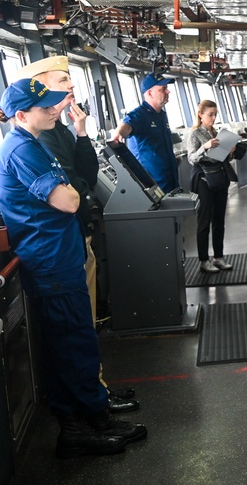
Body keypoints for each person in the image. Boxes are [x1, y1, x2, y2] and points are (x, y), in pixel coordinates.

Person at [0, 78, 147, 458]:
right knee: (71, 344)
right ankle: (79, 427)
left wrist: (72, 188)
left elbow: (70, 188)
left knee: (77, 340)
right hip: (49, 260)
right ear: (20, 115)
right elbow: (66, 200)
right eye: (44, 106)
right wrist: (73, 189)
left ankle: (93, 418)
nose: (53, 109)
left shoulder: (33, 142)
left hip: (59, 255)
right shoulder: (22, 149)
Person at [186, 100, 236, 274]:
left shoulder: (216, 132)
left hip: (218, 177)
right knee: (204, 220)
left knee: (219, 220)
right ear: (201, 114)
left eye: (215, 114)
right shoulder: (195, 134)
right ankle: (203, 260)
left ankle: (219, 257)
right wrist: (205, 147)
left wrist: (229, 153)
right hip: (203, 179)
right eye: (210, 114)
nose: (214, 118)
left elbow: (220, 158)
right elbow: (191, 158)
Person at [110, 73, 179, 192]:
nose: (168, 92)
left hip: (170, 180)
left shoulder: (161, 115)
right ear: (150, 93)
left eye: (166, 88)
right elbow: (127, 126)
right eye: (163, 89)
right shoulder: (140, 115)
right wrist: (119, 133)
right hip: (153, 184)